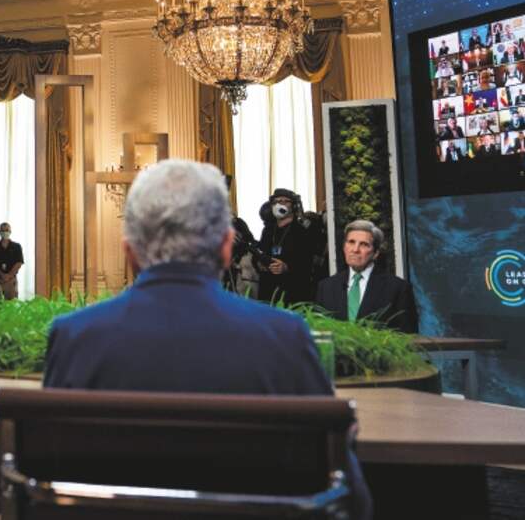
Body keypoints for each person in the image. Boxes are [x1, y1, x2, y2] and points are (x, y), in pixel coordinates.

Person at [42, 160, 371, 520]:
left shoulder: (74, 337)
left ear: (129, 251)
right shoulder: (286, 337)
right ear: (226, 247)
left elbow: (47, 480)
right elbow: (350, 500)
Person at [315, 220, 418, 333]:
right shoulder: (326, 287)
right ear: (344, 247)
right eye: (351, 242)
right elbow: (321, 333)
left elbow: (407, 336)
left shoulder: (397, 288)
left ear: (375, 253)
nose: (355, 250)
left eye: (364, 244)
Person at [257, 188, 314, 304]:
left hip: (293, 292)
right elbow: (260, 252)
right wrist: (259, 263)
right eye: (276, 201)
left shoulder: (302, 230)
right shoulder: (267, 230)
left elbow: (307, 262)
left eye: (284, 201)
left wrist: (287, 267)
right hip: (268, 291)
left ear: (293, 206)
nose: (279, 204)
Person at [0, 222, 24, 300]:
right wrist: (2, 275)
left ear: (10, 231)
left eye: (7, 230)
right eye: (3, 230)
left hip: (11, 280)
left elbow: (19, 263)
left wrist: (9, 275)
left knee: (11, 303)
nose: (5, 232)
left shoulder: (16, 246)